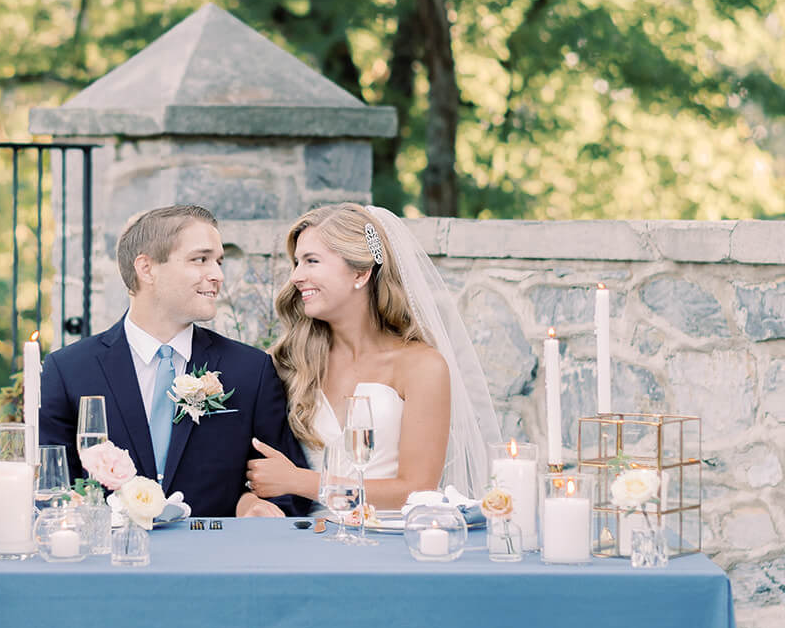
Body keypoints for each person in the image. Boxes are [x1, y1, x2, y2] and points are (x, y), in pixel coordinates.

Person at [39, 204, 304, 517]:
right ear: (147, 268)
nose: (218, 275)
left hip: (214, 559)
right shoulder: (68, 371)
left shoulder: (251, 370)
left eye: (218, 262)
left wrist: (254, 505)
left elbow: (287, 490)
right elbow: (51, 490)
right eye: (200, 259)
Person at [246, 202, 500, 509]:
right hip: (307, 541)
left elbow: (418, 489)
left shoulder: (422, 367)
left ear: (361, 272)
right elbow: (254, 471)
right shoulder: (287, 363)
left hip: (388, 543)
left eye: (312, 261)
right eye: (297, 263)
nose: (297, 276)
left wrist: (300, 481)